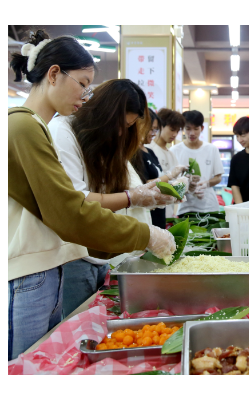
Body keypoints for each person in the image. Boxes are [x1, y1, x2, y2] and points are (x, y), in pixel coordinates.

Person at [8, 30, 176, 360]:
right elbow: (70, 211)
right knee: (27, 364)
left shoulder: (36, 127)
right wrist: (144, 233)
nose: (86, 95)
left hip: (49, 267)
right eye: (83, 83)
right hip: (29, 274)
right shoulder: (24, 127)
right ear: (54, 74)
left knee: (44, 361)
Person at [49, 79, 186, 317]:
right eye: (122, 124)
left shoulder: (105, 141)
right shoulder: (62, 132)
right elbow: (77, 201)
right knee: (79, 326)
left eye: (131, 125)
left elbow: (113, 191)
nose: (123, 132)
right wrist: (133, 198)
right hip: (74, 254)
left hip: (102, 251)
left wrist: (151, 193)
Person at [171, 110, 224, 215]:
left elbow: (218, 177)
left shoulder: (211, 149)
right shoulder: (174, 151)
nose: (192, 133)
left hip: (209, 206)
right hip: (185, 208)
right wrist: (187, 186)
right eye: (188, 129)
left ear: (202, 128)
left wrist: (206, 183)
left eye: (196, 129)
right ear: (183, 129)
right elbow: (171, 181)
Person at [146, 108, 186, 218]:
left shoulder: (172, 154)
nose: (174, 134)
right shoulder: (148, 150)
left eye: (177, 131)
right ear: (160, 126)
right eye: (172, 129)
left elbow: (175, 183)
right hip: (150, 209)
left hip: (167, 211)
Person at [131, 109, 168, 229]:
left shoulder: (150, 151)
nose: (154, 133)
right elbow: (141, 185)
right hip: (145, 211)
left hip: (158, 210)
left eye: (156, 129)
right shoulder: (133, 153)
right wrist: (170, 176)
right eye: (151, 129)